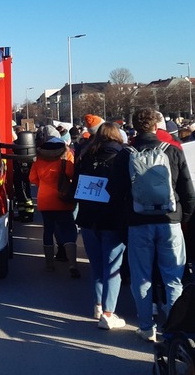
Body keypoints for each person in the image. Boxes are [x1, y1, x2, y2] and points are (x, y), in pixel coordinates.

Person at [107, 107, 195, 343]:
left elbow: (114, 192)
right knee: (173, 278)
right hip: (170, 222)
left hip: (138, 223)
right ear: (157, 126)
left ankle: (146, 327)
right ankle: (174, 329)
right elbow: (188, 190)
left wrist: (126, 216)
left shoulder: (125, 155)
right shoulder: (173, 152)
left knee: (141, 277)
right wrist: (183, 217)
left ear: (133, 127)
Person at [73, 122, 127, 329]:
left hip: (88, 217)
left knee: (96, 264)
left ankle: (97, 304)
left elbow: (76, 183)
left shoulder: (85, 155)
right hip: (113, 217)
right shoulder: (123, 155)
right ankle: (108, 313)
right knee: (113, 267)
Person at [29, 134, 80, 278]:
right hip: (62, 199)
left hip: (44, 199)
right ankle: (72, 264)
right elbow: (71, 174)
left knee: (48, 230)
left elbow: (32, 178)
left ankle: (49, 264)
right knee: (68, 230)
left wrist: (44, 185)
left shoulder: (39, 158)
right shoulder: (66, 155)